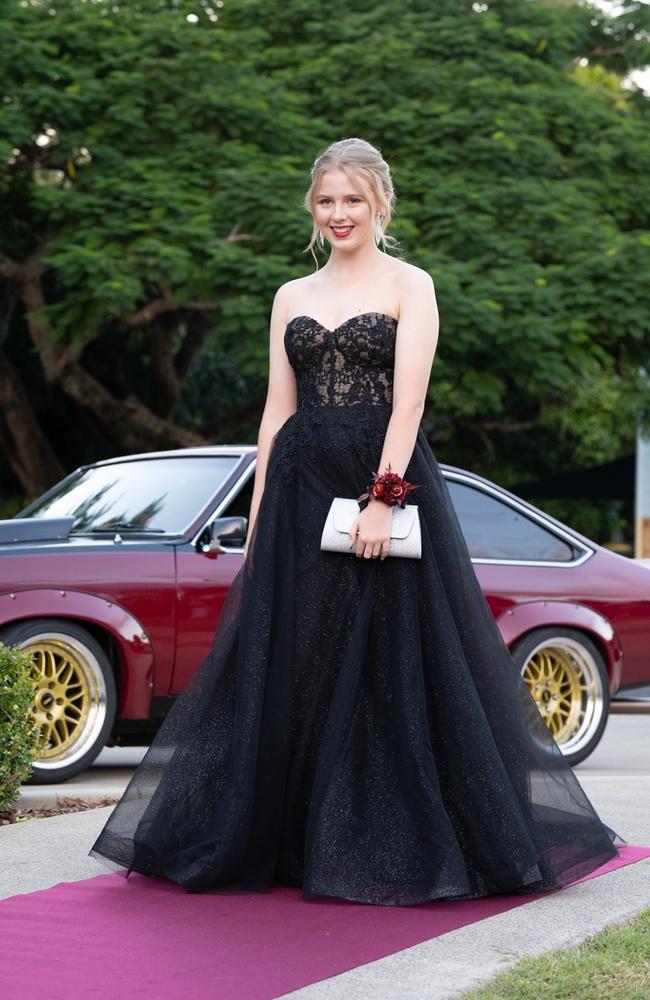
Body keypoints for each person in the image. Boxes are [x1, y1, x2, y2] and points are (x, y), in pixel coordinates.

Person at [89, 137, 624, 907]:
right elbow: (277, 415)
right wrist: (260, 520)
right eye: (326, 201)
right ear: (313, 209)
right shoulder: (289, 296)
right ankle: (292, 838)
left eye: (352, 201)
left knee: (390, 663)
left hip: (385, 487)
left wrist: (384, 496)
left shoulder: (412, 284)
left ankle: (394, 841)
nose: (339, 214)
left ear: (380, 204)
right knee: (298, 664)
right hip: (300, 492)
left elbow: (408, 403)